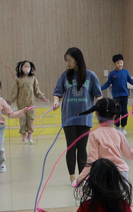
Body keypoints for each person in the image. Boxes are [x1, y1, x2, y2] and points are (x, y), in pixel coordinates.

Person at [75, 98, 133, 185]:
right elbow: (131, 155)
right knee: (119, 198)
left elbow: (92, 161)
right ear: (114, 115)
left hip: (103, 175)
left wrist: (80, 178)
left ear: (97, 113)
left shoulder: (94, 135)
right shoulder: (119, 134)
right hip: (121, 174)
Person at [53, 47, 102, 184]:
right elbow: (57, 92)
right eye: (66, 60)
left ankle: (83, 176)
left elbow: (98, 95)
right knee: (71, 147)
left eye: (70, 60)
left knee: (82, 149)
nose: (68, 63)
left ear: (77, 59)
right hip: (68, 118)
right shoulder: (65, 76)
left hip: (84, 118)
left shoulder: (90, 75)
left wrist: (98, 107)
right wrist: (56, 102)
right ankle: (72, 177)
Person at [101, 54, 133, 134]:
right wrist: (99, 88)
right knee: (117, 112)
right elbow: (107, 84)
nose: (120, 64)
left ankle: (123, 127)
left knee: (124, 112)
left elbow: (131, 81)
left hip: (125, 95)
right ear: (114, 64)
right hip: (116, 96)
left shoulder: (126, 72)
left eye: (121, 62)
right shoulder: (112, 74)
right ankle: (117, 127)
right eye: (118, 63)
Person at [7, 60, 47, 144]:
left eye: (28, 66)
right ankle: (23, 137)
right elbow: (14, 91)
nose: (27, 68)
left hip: (31, 103)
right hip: (21, 104)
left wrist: (41, 96)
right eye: (25, 66)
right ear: (21, 68)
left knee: (30, 119)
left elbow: (36, 90)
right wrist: (10, 100)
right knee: (22, 120)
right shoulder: (18, 79)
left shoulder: (33, 78)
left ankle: (30, 136)